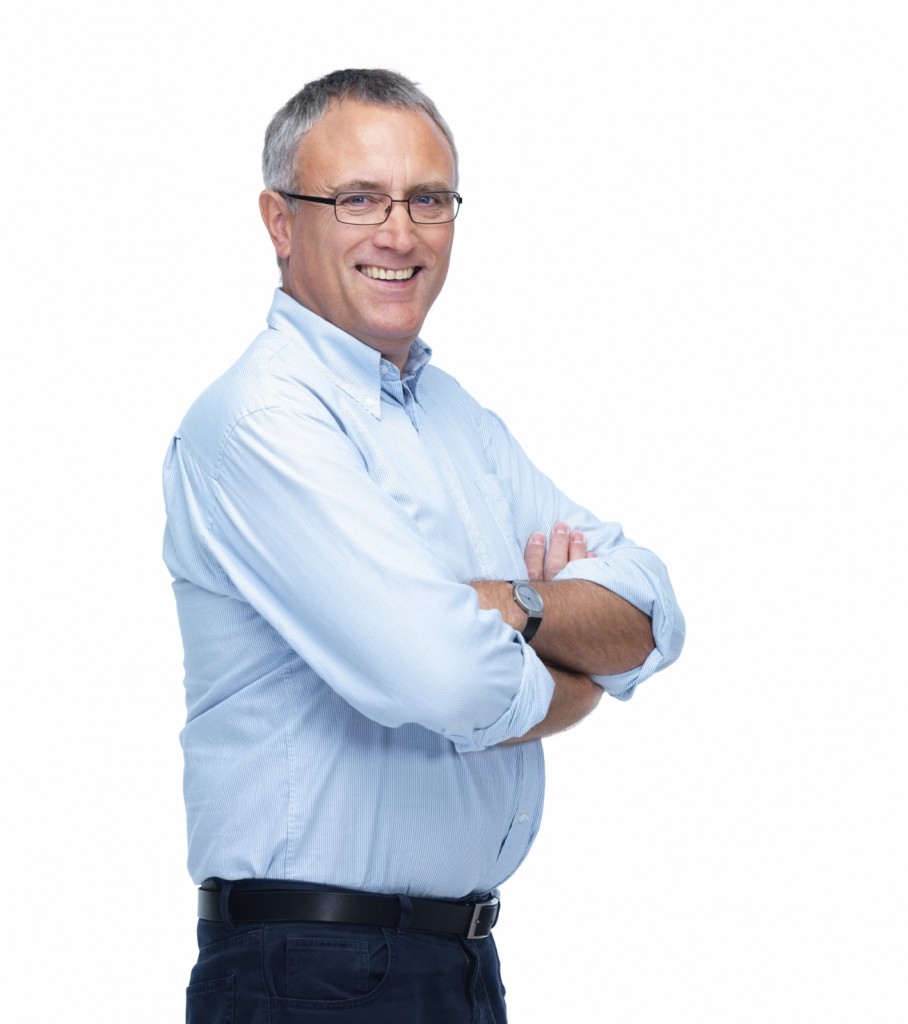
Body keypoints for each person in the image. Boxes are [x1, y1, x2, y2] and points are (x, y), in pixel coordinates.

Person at [163, 68, 685, 1023]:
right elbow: (449, 676)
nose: (398, 233)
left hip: (459, 964)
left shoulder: (458, 421)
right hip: (309, 974)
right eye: (358, 198)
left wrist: (514, 609)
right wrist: (570, 674)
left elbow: (651, 612)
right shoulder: (261, 423)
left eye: (428, 199)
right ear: (281, 223)